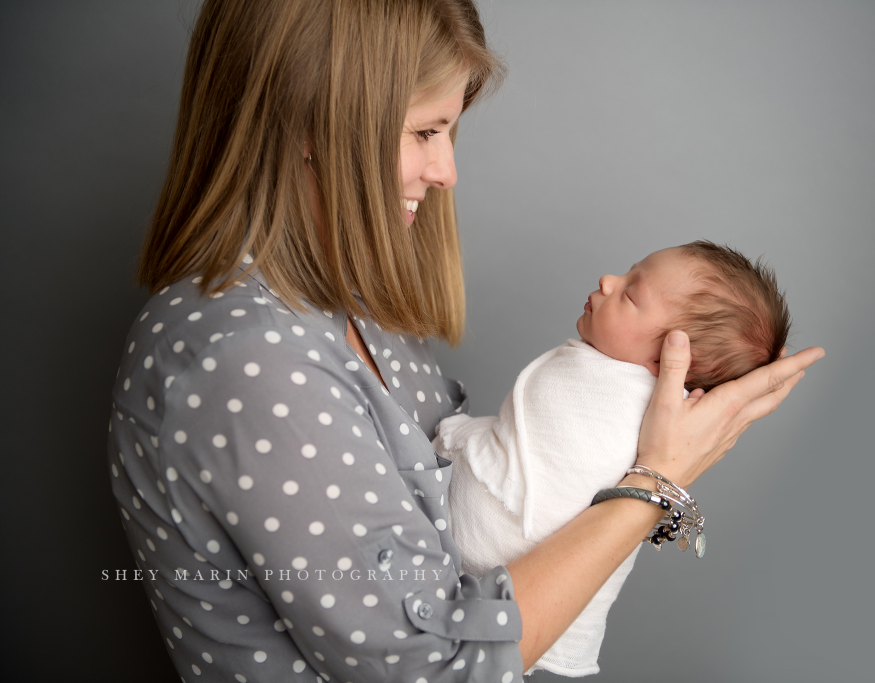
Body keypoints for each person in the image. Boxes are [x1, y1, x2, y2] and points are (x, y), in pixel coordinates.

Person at [107, 1, 825, 681]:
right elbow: (439, 664)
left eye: (448, 132)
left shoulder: (348, 307)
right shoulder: (247, 363)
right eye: (424, 132)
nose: (446, 171)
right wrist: (655, 481)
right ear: (307, 123)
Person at [436, 241, 791, 676]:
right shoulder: (623, 392)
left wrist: (458, 436)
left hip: (502, 551)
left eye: (629, 293)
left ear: (667, 359)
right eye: (626, 274)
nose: (607, 281)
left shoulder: (624, 403)